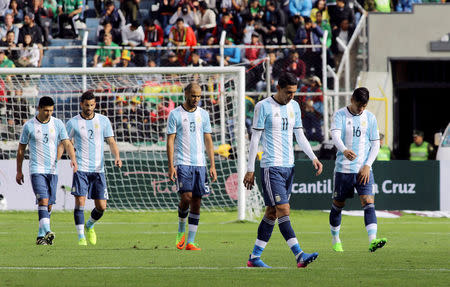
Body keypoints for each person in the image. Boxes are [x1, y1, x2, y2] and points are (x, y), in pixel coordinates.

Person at [243, 72, 323, 268]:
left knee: (271, 213)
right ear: (278, 88)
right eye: (288, 92)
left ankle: (254, 258)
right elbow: (254, 140)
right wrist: (250, 169)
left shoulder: (294, 106)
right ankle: (299, 255)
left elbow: (300, 135)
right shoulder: (263, 107)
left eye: (294, 93)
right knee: (283, 210)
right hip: (271, 166)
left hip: (289, 166)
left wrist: (313, 157)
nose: (292, 96)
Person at [329, 87, 387, 253]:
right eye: (359, 105)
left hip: (363, 170)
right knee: (338, 205)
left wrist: (367, 165)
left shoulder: (370, 118)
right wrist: (344, 150)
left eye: (364, 105)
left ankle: (372, 240)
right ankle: (335, 239)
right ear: (352, 100)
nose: (361, 108)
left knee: (368, 202)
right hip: (343, 170)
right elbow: (335, 136)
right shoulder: (340, 115)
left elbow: (375, 144)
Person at [16, 96, 78, 245]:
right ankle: (48, 230)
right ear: (38, 108)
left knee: (49, 204)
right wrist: (19, 170)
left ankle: (40, 236)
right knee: (43, 200)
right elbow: (21, 149)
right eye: (46, 110)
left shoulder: (57, 124)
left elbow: (67, 143)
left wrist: (73, 159)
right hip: (36, 169)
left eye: (51, 110)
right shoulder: (29, 126)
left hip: (53, 170)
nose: (48, 113)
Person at [64, 91, 122, 246]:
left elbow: (111, 141)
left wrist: (117, 156)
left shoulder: (103, 121)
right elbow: (65, 142)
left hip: (98, 169)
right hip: (81, 168)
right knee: (80, 202)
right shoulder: (73, 122)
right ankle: (81, 237)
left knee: (101, 206)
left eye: (92, 105)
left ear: (95, 105)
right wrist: (69, 159)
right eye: (86, 105)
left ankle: (89, 225)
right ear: (81, 104)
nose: (89, 108)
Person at [166, 83, 217, 251]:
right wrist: (171, 165)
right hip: (183, 162)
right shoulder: (175, 114)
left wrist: (212, 165)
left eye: (199, 96)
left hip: (200, 164)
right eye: (193, 95)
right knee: (186, 197)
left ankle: (191, 241)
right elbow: (170, 140)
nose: (196, 99)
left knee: (197, 201)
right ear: (186, 94)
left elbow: (208, 140)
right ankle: (181, 229)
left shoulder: (204, 114)